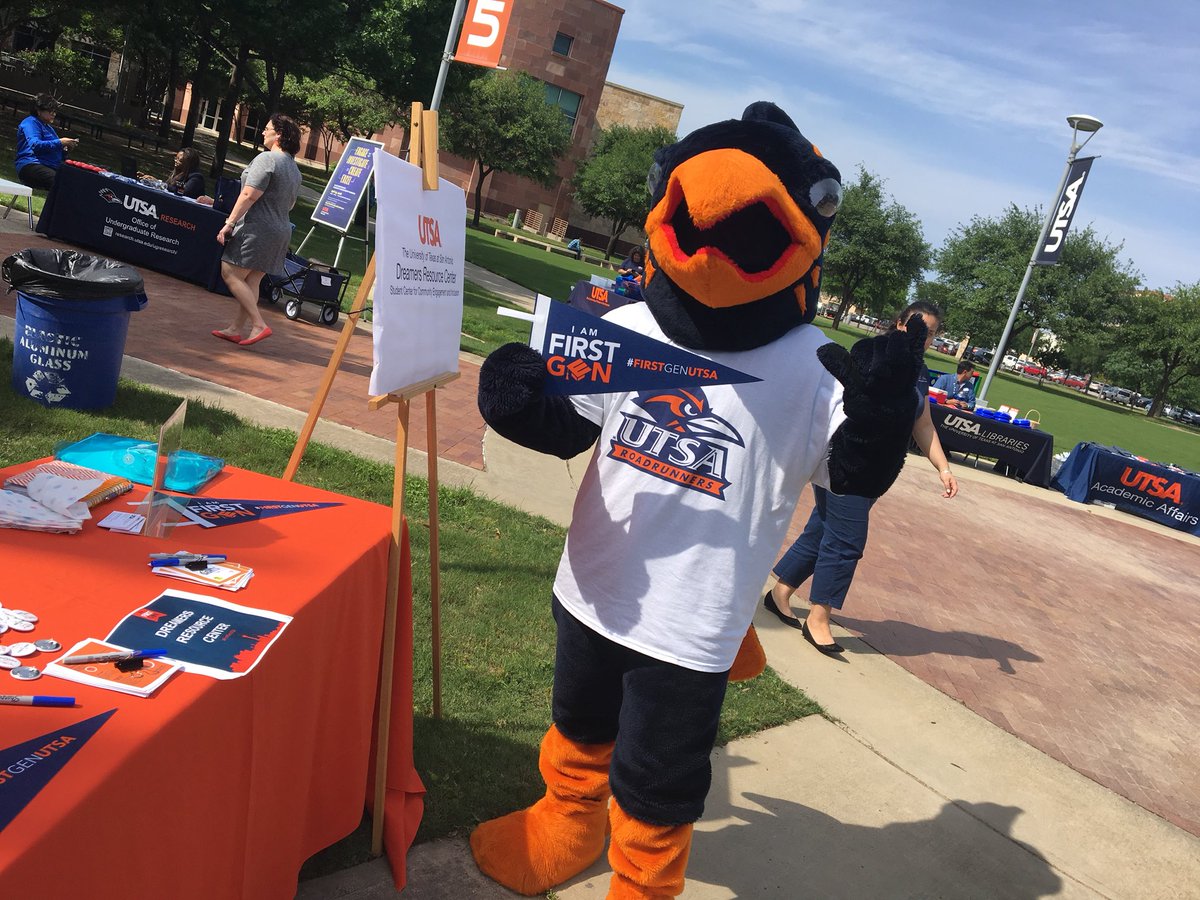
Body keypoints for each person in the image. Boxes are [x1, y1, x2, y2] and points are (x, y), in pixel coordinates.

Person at [765, 300, 959, 654]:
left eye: (930, 333)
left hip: (878, 468)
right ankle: (819, 617)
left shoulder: (919, 372)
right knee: (847, 541)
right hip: (848, 461)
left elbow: (923, 423)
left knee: (824, 528)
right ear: (900, 323)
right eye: (917, 327)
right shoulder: (872, 354)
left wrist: (943, 468)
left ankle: (780, 592)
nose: (923, 337)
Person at [211, 114, 302, 347]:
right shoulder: (294, 169)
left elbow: (249, 194)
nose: (263, 132)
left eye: (267, 128)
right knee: (252, 280)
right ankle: (235, 329)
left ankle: (259, 324)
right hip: (281, 229)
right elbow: (290, 204)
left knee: (230, 272)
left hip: (257, 227)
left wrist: (230, 222)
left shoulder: (268, 159)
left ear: (279, 135)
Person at [14, 94, 78, 190]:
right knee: (61, 184)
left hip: (50, 166)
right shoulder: (30, 123)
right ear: (38, 110)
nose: (53, 114)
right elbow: (35, 145)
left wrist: (65, 149)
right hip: (30, 165)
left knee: (76, 182)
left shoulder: (49, 128)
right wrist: (60, 142)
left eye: (55, 111)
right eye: (50, 110)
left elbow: (55, 151)